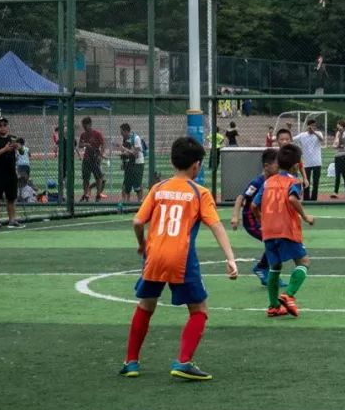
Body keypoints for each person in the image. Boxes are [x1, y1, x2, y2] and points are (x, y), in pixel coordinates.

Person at [119, 136, 238, 381]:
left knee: (145, 305)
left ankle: (131, 362)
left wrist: (142, 244)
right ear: (196, 165)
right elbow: (215, 225)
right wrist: (230, 258)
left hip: (153, 256)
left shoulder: (158, 188)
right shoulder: (199, 192)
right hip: (181, 258)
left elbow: (137, 221)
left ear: (173, 162)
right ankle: (183, 361)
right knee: (199, 309)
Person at [252, 143, 315, 318]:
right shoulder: (294, 182)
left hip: (269, 230)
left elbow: (253, 205)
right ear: (296, 165)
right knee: (303, 262)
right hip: (286, 229)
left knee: (275, 267)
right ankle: (289, 295)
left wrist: (262, 221)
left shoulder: (268, 182)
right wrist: (305, 216)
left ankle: (273, 306)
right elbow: (293, 199)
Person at [231, 148, 280, 287]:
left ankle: (265, 270)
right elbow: (241, 197)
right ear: (266, 166)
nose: (279, 168)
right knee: (274, 241)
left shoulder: (274, 180)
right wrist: (235, 216)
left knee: (277, 241)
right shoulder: (257, 182)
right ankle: (263, 269)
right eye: (277, 165)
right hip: (252, 221)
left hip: (265, 218)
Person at [294, 118, 325, 201]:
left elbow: (322, 139)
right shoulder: (302, 135)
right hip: (307, 163)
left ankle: (314, 199)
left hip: (317, 162)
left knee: (316, 182)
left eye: (315, 126)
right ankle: (306, 199)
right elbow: (292, 139)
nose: (313, 127)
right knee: (306, 181)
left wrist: (314, 132)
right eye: (311, 126)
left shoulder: (318, 133)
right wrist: (289, 129)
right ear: (308, 126)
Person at [77, 116, 106, 201]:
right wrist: (86, 144)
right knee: (86, 179)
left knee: (99, 178)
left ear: (89, 124)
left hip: (95, 158)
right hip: (86, 159)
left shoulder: (97, 134)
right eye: (83, 126)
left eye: (85, 126)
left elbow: (103, 144)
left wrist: (100, 155)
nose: (84, 128)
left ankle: (98, 195)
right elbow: (80, 145)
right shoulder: (83, 134)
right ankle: (86, 195)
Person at [117, 123, 145, 203]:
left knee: (137, 184)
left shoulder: (136, 138)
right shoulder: (125, 139)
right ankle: (126, 202)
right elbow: (126, 152)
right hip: (129, 163)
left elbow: (136, 154)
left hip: (137, 163)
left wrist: (125, 149)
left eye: (122, 132)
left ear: (126, 131)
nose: (121, 134)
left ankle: (140, 202)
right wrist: (123, 160)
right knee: (126, 183)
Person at [330, 119, 345, 199]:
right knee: (337, 174)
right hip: (337, 155)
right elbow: (335, 144)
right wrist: (336, 145)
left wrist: (338, 145)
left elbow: (342, 144)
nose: (337, 126)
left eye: (339, 124)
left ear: (343, 126)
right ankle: (335, 192)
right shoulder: (337, 133)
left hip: (344, 155)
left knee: (344, 174)